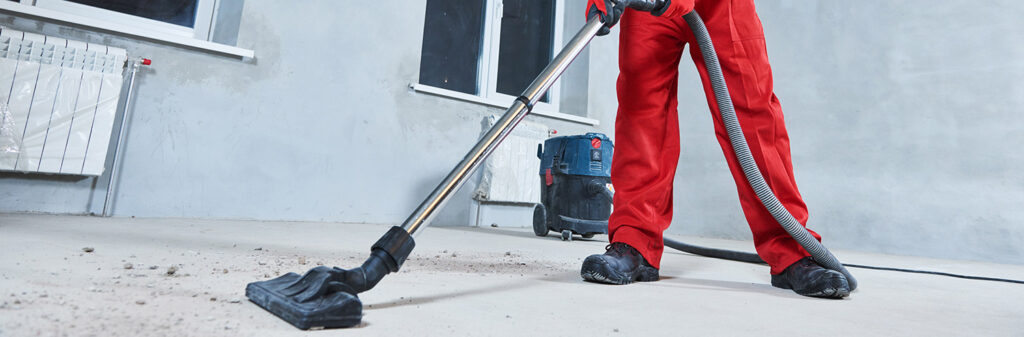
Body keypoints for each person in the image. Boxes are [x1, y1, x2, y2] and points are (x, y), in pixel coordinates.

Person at [580, 0, 851, 298]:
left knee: (751, 112)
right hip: (647, 8)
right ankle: (634, 242)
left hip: (722, 6)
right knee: (640, 108)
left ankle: (792, 249)